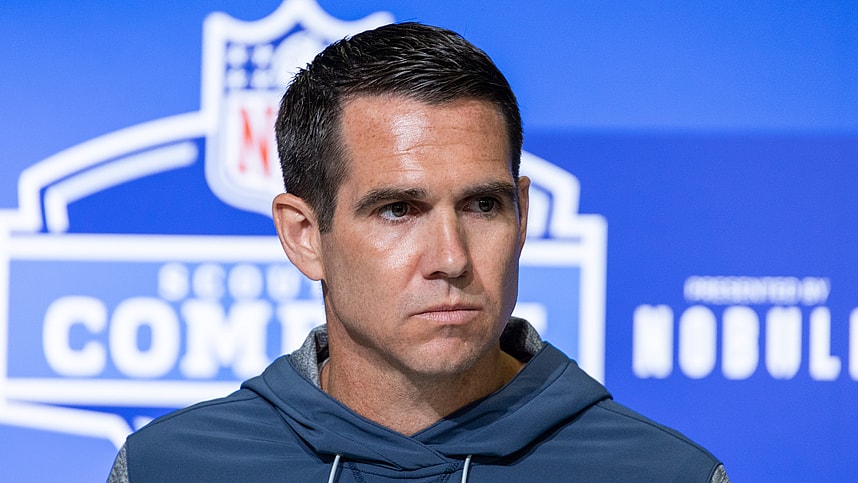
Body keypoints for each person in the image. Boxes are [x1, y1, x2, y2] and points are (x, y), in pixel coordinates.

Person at [108, 22, 728, 482]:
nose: (451, 258)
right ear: (303, 235)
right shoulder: (171, 467)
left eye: (483, 206)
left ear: (523, 214)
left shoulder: (662, 474)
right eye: (398, 210)